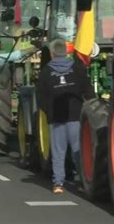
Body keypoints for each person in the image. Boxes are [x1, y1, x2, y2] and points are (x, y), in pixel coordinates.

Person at [38, 38, 95, 194]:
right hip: (76, 115)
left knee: (58, 152)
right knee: (78, 150)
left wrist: (49, 111)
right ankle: (83, 182)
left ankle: (58, 184)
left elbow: (40, 98)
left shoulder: (45, 72)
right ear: (66, 51)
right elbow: (89, 91)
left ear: (52, 53)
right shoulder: (77, 68)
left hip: (56, 118)